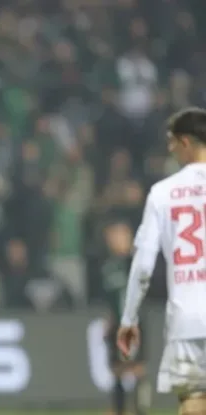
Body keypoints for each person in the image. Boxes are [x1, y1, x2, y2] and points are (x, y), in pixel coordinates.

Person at [118, 107, 206, 415]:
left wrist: (128, 318)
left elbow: (143, 265)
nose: (169, 149)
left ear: (185, 142)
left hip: (187, 318)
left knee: (193, 402)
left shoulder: (162, 193)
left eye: (171, 141)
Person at [101, 221, 150, 415]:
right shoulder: (108, 266)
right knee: (117, 368)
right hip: (115, 322)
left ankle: (140, 409)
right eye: (112, 236)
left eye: (120, 235)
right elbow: (109, 297)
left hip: (133, 322)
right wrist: (108, 319)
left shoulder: (135, 261)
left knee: (137, 367)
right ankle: (119, 409)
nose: (115, 240)